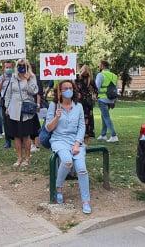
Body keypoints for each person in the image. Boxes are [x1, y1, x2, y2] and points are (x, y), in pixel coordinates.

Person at [46, 80, 92, 214]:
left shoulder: (78, 106)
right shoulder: (54, 105)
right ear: (59, 91)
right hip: (59, 140)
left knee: (82, 170)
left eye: (70, 88)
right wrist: (56, 117)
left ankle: (86, 201)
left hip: (75, 141)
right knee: (67, 162)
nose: (68, 90)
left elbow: (82, 126)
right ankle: (58, 187)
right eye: (65, 88)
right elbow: (48, 128)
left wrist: (78, 143)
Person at [4, 59, 39, 167]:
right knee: (16, 136)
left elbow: (34, 91)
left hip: (26, 111)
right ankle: (19, 158)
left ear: (27, 66)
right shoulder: (13, 77)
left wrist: (27, 80)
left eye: (23, 65)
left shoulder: (32, 77)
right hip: (13, 110)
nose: (21, 67)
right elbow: (8, 94)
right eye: (19, 65)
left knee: (26, 135)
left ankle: (27, 158)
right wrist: (7, 106)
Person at [95, 60, 119, 142]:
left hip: (102, 99)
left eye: (99, 65)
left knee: (106, 117)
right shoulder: (114, 75)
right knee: (104, 116)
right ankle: (103, 134)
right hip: (111, 99)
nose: (99, 67)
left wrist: (94, 96)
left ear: (102, 66)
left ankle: (114, 135)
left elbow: (96, 87)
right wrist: (115, 100)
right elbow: (116, 89)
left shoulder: (100, 75)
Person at [75, 65, 97, 144]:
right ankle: (82, 140)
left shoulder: (89, 79)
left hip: (86, 104)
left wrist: (94, 96)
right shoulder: (78, 78)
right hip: (82, 103)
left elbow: (95, 91)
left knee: (86, 121)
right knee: (82, 120)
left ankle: (85, 140)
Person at [0, 61, 14, 149]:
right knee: (6, 122)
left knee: (16, 121)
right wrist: (2, 81)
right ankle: (8, 142)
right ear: (3, 68)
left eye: (10, 67)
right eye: (7, 67)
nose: (8, 69)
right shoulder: (0, 78)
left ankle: (18, 139)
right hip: (5, 102)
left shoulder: (16, 77)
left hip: (15, 102)